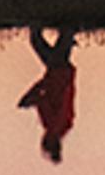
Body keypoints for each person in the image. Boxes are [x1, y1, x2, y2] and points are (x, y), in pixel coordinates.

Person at [19, 24, 79, 163]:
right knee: (36, 40)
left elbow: (44, 93)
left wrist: (28, 98)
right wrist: (26, 100)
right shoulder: (53, 124)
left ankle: (69, 29)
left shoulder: (65, 126)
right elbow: (42, 98)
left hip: (64, 74)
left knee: (64, 38)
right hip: (56, 72)